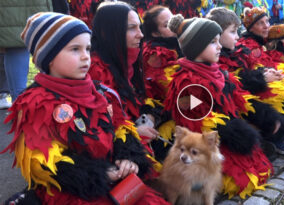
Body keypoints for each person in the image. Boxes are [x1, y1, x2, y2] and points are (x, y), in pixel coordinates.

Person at [1, 12, 169, 205]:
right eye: (75, 49)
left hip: (116, 181)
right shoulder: (35, 101)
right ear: (49, 57)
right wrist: (98, 174)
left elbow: (120, 126)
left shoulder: (99, 91)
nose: (85, 57)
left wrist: (127, 157)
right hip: (75, 191)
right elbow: (43, 159)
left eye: (88, 48)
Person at [165, 14, 282, 199]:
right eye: (213, 42)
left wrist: (263, 114)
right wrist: (233, 132)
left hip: (226, 132)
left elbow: (238, 98)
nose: (219, 46)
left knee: (260, 168)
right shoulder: (188, 82)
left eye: (219, 41)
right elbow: (195, 120)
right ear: (196, 47)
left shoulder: (217, 72)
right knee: (238, 178)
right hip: (207, 144)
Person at [206, 7, 284, 155]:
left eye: (267, 21)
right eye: (233, 32)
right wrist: (261, 79)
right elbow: (232, 82)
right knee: (277, 95)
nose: (236, 36)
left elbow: (248, 69)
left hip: (247, 90)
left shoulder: (235, 50)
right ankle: (278, 138)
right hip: (239, 99)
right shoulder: (217, 56)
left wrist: (264, 72)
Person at [89, 2, 171, 163]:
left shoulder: (129, 64)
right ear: (109, 32)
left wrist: (150, 115)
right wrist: (134, 131)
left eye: (139, 27)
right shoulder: (95, 72)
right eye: (132, 28)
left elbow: (140, 102)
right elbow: (102, 125)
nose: (141, 34)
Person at [0, 0, 52, 102]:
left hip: (10, 10)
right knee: (45, 45)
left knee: (15, 45)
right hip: (37, 7)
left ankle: (20, 108)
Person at [142, 6, 182, 100]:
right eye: (167, 25)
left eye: (174, 19)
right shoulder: (156, 54)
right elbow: (174, 92)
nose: (175, 25)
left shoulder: (177, 42)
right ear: (155, 33)